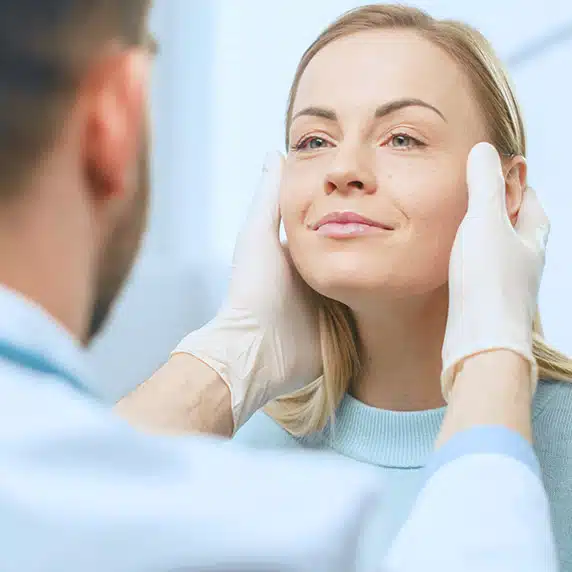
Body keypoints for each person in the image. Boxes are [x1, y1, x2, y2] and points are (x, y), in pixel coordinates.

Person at [0, 1, 558, 571]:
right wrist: (232, 354)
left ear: (506, 192)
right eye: (313, 141)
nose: (344, 169)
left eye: (403, 139)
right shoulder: (224, 457)